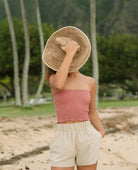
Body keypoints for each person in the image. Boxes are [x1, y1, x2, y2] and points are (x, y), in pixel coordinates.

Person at [42, 26, 105, 170]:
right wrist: (69, 53)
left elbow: (92, 111)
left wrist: (101, 132)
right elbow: (59, 84)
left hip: (87, 134)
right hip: (63, 136)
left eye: (72, 53)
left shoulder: (90, 82)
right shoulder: (54, 79)